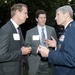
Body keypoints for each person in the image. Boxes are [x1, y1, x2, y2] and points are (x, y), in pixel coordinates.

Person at [38, 5, 75, 75]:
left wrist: (49, 54)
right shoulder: (68, 29)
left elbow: (71, 59)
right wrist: (56, 45)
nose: (55, 18)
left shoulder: (71, 30)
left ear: (66, 14)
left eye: (58, 15)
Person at [0, 3, 31, 75]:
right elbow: (1, 55)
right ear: (17, 12)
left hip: (18, 70)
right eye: (25, 13)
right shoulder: (6, 30)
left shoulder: (18, 28)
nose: (27, 16)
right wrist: (20, 52)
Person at [25, 9, 57, 75]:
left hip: (48, 63)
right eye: (41, 18)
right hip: (35, 63)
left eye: (44, 17)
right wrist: (37, 50)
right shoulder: (30, 32)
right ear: (37, 19)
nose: (43, 19)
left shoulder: (51, 30)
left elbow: (55, 44)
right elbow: (27, 46)